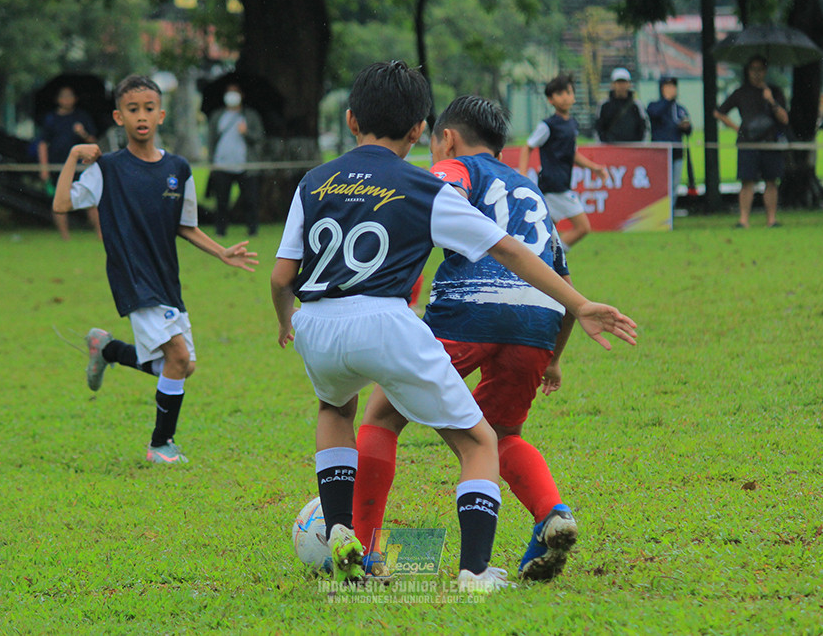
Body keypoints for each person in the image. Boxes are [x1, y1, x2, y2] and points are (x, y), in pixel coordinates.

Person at [270, 61, 637, 591]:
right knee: (485, 439)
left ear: (351, 120)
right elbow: (516, 250)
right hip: (491, 320)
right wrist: (575, 309)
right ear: (418, 131)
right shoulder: (466, 187)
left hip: (343, 322)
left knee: (349, 413)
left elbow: (283, 277)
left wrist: (289, 322)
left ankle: (351, 538)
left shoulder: (324, 180)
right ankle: (496, 553)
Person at [53, 75, 258, 465]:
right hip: (135, 279)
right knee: (177, 358)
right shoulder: (108, 169)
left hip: (167, 280)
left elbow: (185, 225)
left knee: (183, 366)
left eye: (149, 108)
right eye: (133, 109)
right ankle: (160, 446)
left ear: (161, 114)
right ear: (119, 117)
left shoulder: (178, 169)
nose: (141, 116)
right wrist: (73, 158)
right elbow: (62, 205)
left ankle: (107, 348)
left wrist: (221, 253)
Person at [518, 73, 610, 250]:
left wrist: (594, 168)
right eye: (559, 94)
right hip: (555, 187)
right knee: (583, 227)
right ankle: (554, 259)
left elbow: (572, 154)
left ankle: (544, 262)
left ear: (574, 96)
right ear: (550, 99)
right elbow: (527, 147)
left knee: (543, 235)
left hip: (558, 185)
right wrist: (522, 174)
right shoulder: (548, 125)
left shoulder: (572, 124)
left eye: (568, 92)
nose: (565, 97)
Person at [713, 55, 789, 229]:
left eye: (760, 69)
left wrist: (771, 101)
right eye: (753, 69)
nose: (756, 73)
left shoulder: (775, 91)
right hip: (748, 143)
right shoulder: (741, 92)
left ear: (765, 71)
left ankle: (771, 220)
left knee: (771, 181)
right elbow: (719, 113)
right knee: (747, 182)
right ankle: (744, 220)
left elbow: (784, 119)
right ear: (748, 71)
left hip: (770, 143)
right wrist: (737, 128)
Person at [39, 85, 103, 240]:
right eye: (63, 96)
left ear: (75, 99)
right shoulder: (51, 119)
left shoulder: (82, 117)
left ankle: (101, 234)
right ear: (58, 99)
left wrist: (83, 133)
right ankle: (65, 236)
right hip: (58, 166)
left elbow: (93, 142)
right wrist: (44, 167)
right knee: (59, 199)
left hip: (81, 166)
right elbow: (42, 144)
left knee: (91, 199)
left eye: (70, 96)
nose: (67, 99)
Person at [207, 82, 264, 237]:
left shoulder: (250, 116)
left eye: (235, 92)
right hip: (222, 165)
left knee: (250, 200)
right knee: (221, 201)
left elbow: (259, 137)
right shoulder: (217, 116)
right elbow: (211, 140)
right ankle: (220, 231)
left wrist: (246, 133)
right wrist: (211, 162)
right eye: (229, 92)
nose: (231, 95)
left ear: (242, 95)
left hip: (245, 165)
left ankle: (252, 230)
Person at [646, 76, 692, 211]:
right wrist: (666, 100)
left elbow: (688, 129)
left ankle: (669, 212)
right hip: (660, 154)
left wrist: (686, 127)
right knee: (660, 185)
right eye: (667, 86)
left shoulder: (679, 109)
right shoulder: (654, 105)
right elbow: (654, 114)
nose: (671, 89)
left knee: (674, 185)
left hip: (677, 153)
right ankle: (659, 212)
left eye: (673, 86)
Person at [595, 68, 650, 144]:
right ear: (613, 84)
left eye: (623, 82)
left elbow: (644, 127)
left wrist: (640, 145)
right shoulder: (604, 106)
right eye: (618, 82)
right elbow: (598, 128)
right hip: (611, 150)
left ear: (629, 84)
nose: (621, 85)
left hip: (633, 149)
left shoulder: (637, 105)